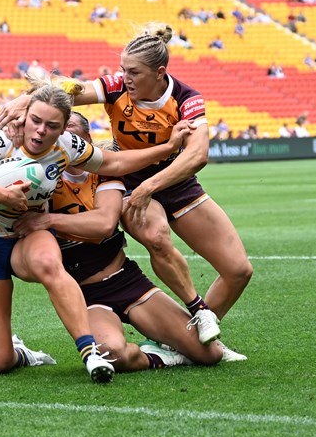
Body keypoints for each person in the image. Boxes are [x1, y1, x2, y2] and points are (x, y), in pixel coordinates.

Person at [0, 22, 252, 360]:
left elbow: (197, 154)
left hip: (174, 183)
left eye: (133, 72)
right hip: (128, 179)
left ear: (159, 73)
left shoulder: (186, 100)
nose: (125, 78)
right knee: (157, 236)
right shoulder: (117, 87)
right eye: (123, 70)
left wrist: (151, 186)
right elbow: (70, 92)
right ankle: (192, 315)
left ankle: (186, 336)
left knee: (238, 270)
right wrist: (24, 99)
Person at [0, 78, 193, 383]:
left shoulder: (67, 146)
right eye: (35, 121)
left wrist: (167, 148)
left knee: (49, 261)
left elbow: (114, 161)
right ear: (26, 115)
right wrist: (3, 195)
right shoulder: (3, 139)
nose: (41, 131)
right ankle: (20, 352)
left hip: (28, 234)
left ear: (62, 129)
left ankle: (90, 353)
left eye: (51, 125)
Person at [13, 112, 224, 371]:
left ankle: (165, 340)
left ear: (87, 139)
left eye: (72, 129)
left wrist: (47, 221)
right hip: (85, 293)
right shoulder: (42, 179)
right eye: (61, 131)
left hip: (126, 280)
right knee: (113, 353)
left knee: (211, 354)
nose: (66, 135)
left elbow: (104, 225)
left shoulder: (103, 172)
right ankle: (154, 356)